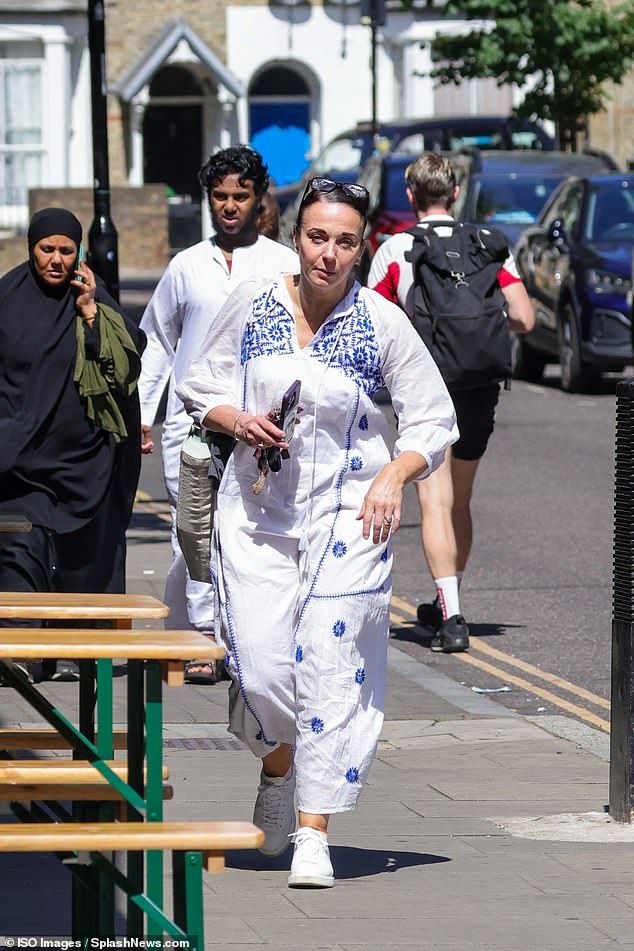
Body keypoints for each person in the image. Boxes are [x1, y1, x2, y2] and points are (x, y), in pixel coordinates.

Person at [177, 177, 458, 888]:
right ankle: (279, 762)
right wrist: (234, 418)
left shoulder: (381, 322)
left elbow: (434, 419)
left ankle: (312, 831)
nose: (328, 253)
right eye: (316, 237)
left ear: (362, 245)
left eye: (344, 240)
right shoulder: (253, 303)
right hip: (258, 515)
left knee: (329, 669)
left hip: (351, 518)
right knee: (266, 670)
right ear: (294, 235)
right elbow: (198, 383)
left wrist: (395, 473)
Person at [138, 146, 298, 684]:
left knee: (249, 536)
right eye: (220, 196)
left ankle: (243, 641)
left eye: (240, 196)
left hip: (261, 426)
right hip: (194, 423)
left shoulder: (284, 265)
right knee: (195, 531)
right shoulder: (186, 266)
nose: (229, 206)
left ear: (259, 199)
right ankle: (203, 643)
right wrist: (143, 412)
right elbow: (158, 341)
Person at [368, 153, 535, 651]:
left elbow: (373, 318)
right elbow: (524, 316)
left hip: (427, 382)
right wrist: (479, 335)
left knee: (433, 499)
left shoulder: (396, 248)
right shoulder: (488, 245)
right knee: (460, 498)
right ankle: (449, 599)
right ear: (456, 193)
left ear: (411, 194)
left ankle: (453, 616)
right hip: (481, 384)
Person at [0, 207, 143, 680]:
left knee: (86, 551)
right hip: (18, 459)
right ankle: (20, 645)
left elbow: (124, 372)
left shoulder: (95, 300)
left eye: (66, 250)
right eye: (47, 249)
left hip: (85, 458)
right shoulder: (6, 300)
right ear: (31, 248)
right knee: (20, 549)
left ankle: (77, 649)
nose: (57, 260)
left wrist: (89, 314)